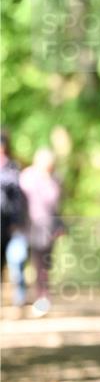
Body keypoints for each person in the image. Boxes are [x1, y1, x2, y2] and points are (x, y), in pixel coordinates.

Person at [19, 147, 63, 316]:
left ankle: (43, 298)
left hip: (49, 228)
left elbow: (57, 206)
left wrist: (60, 226)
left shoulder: (55, 179)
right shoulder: (27, 177)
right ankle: (34, 297)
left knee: (45, 265)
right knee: (35, 263)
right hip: (30, 227)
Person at [0, 129, 29, 309]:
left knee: (16, 261)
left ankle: (19, 299)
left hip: (10, 224)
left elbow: (19, 198)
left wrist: (18, 223)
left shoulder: (13, 168)